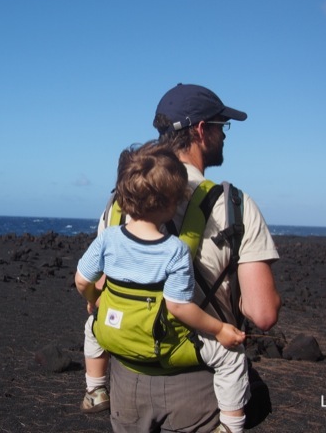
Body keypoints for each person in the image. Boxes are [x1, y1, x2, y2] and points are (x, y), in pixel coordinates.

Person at [81, 83, 281, 432]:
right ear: (202, 130)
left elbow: (101, 287)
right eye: (223, 126)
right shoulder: (233, 206)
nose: (224, 136)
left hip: (127, 379)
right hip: (198, 384)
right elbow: (262, 315)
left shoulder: (120, 202)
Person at [75, 141, 250, 433]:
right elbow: (179, 307)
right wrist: (220, 330)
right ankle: (232, 425)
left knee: (92, 327)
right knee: (231, 357)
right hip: (165, 344)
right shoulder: (176, 251)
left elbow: (81, 280)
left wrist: (95, 299)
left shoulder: (108, 239)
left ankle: (95, 390)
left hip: (115, 333)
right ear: (172, 204)